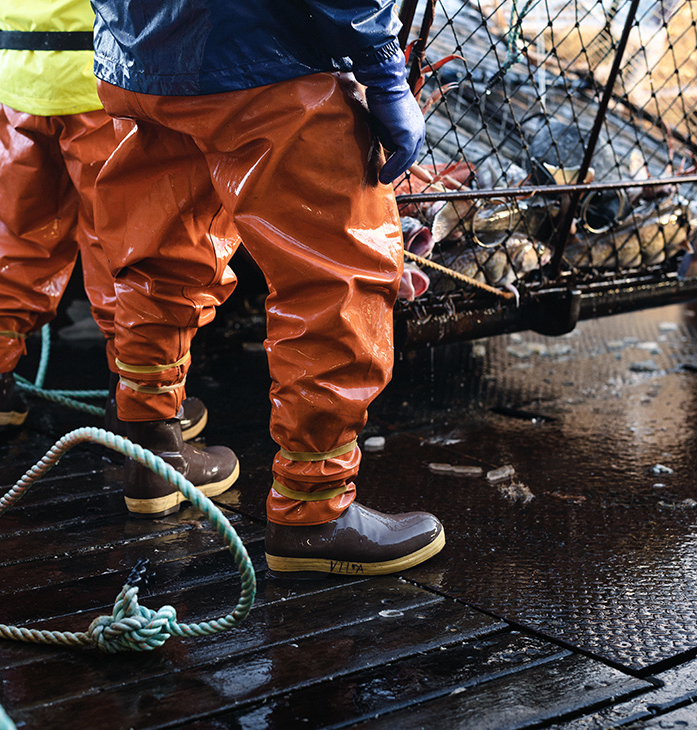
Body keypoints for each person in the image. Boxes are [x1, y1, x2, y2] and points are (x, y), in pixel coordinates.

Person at [89, 0, 446, 577]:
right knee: (331, 276)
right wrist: (382, 67)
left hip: (137, 59)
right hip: (264, 54)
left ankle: (152, 450)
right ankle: (313, 507)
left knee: (157, 251)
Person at [0, 0, 207, 440]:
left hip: (20, 81)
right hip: (96, 82)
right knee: (116, 240)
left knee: (17, 229)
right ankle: (133, 397)